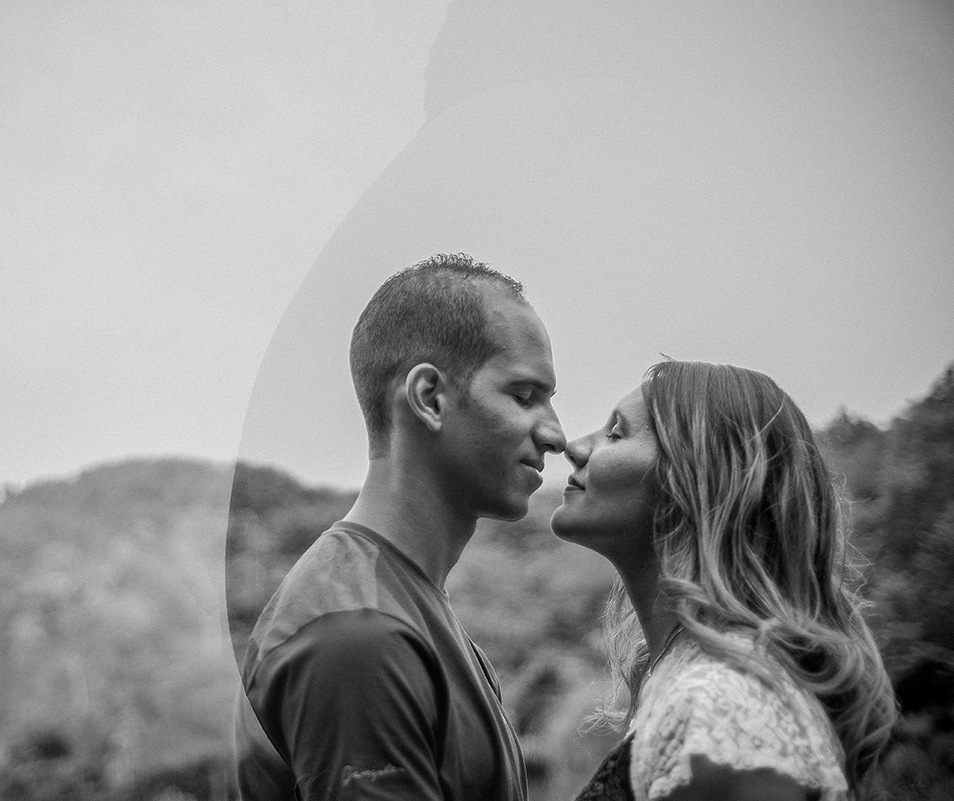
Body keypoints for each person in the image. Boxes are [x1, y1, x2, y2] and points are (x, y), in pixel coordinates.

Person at [235, 253, 565, 800]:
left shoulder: (410, 611)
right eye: (524, 396)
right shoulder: (358, 637)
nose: (555, 434)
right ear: (429, 398)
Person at [551, 361, 898, 801]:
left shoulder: (724, 701)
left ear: (696, 482)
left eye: (616, 433)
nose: (574, 446)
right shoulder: (696, 679)